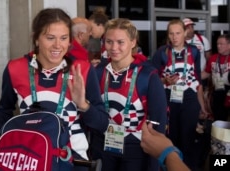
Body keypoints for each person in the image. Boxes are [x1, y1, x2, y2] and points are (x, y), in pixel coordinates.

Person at [0, 8, 109, 171]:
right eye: (50, 38)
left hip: (73, 160)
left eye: (64, 38)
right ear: (36, 39)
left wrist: (83, 105)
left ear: (70, 41)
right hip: (28, 158)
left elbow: (101, 124)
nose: (58, 45)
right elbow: (4, 110)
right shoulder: (15, 68)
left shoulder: (82, 70)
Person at [93, 18, 167, 171]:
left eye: (120, 42)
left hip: (136, 148)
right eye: (109, 41)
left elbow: (158, 122)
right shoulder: (98, 72)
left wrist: (154, 163)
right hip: (104, 144)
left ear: (133, 42)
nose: (114, 48)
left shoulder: (147, 75)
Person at [151, 19, 208, 170]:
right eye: (171, 33)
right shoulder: (162, 52)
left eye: (178, 33)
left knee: (189, 137)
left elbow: (197, 79)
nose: (175, 37)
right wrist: (164, 80)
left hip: (189, 97)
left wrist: (202, 106)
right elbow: (153, 78)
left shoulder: (194, 51)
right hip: (169, 97)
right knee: (172, 137)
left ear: (185, 33)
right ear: (168, 35)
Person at [202, 34, 230, 121]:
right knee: (219, 118)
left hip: (228, 91)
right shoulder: (213, 58)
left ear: (229, 45)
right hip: (217, 90)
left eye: (221, 44)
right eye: (217, 44)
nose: (218, 46)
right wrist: (192, 76)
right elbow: (206, 73)